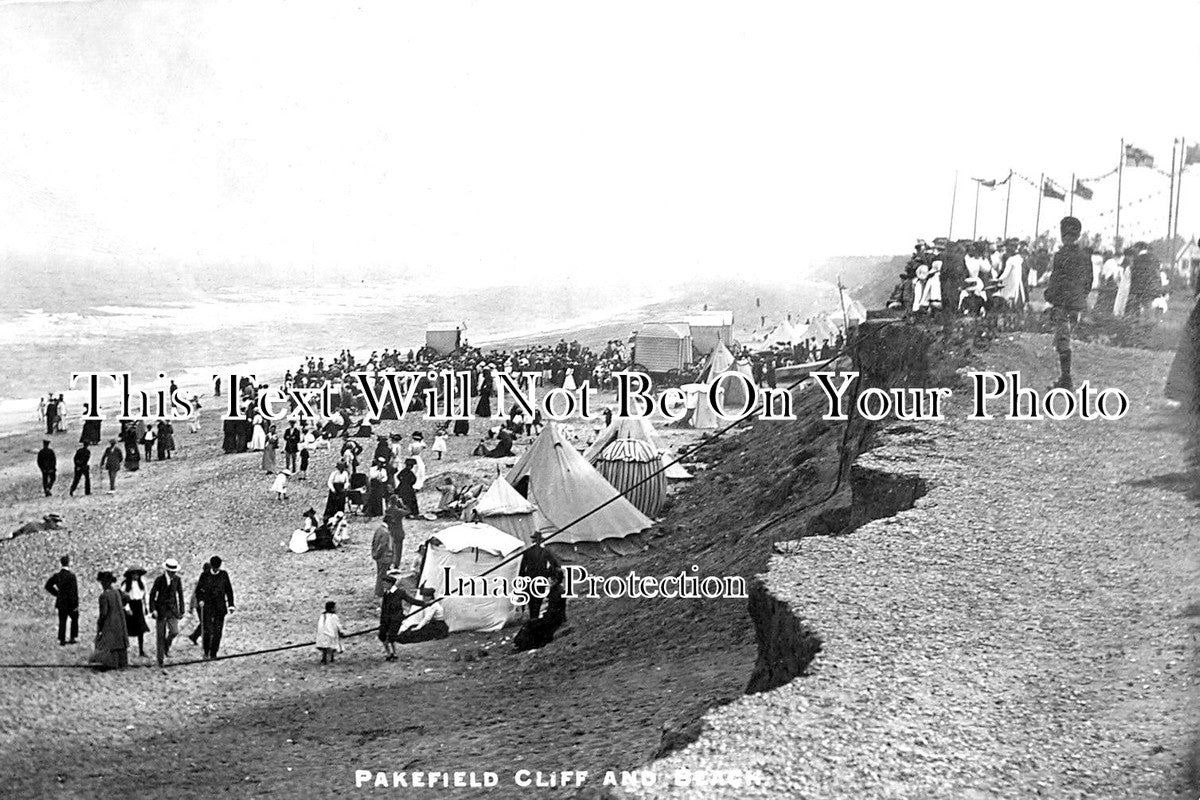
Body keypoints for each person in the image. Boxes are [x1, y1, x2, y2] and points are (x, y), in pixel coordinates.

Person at [1043, 216, 1094, 390]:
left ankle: (1066, 380)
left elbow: (1055, 280)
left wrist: (1050, 295)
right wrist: (1080, 298)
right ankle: (1065, 378)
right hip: (1077, 304)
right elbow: (1089, 281)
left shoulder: (1060, 255)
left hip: (1062, 304)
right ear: (1078, 235)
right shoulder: (1085, 256)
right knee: (1065, 338)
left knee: (1062, 340)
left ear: (1063, 235)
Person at [519, 532, 564, 622]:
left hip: (529, 579)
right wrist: (549, 574)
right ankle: (535, 618)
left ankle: (533, 618)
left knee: (531, 600)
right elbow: (555, 565)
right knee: (538, 599)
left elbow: (522, 568)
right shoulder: (545, 552)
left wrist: (521, 580)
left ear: (533, 540)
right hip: (541, 578)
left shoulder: (527, 552)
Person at [88, 571, 129, 670]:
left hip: (110, 622)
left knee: (107, 642)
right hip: (120, 621)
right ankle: (121, 663)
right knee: (120, 643)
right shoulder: (117, 592)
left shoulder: (104, 596)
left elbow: (104, 613)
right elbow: (127, 597)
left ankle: (109, 663)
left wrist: (100, 624)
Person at [197, 555, 235, 660]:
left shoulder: (224, 575)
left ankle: (213, 653)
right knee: (207, 631)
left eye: (217, 567)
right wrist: (200, 600)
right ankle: (206, 652)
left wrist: (231, 605)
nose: (216, 569)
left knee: (218, 632)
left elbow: (229, 590)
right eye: (214, 567)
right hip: (207, 608)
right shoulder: (204, 575)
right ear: (211, 566)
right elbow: (198, 590)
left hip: (220, 608)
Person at [149, 558, 185, 667]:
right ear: (167, 571)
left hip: (173, 610)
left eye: (175, 572)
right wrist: (153, 609)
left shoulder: (177, 580)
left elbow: (180, 595)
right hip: (161, 610)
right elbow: (152, 595)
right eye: (172, 572)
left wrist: (182, 609)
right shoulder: (159, 580)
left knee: (174, 631)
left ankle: (166, 647)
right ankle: (160, 660)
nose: (174, 573)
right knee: (160, 635)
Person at [44, 555, 79, 645]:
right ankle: (72, 637)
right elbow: (74, 591)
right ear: (68, 563)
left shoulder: (57, 575)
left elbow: (48, 586)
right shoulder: (72, 576)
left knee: (62, 621)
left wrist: (57, 594)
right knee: (74, 619)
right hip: (70, 602)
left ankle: (62, 639)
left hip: (61, 601)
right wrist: (76, 604)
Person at [121, 567, 150, 658]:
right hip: (130, 605)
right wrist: (127, 608)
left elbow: (145, 595)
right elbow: (123, 598)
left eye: (137, 574)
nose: (135, 576)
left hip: (139, 606)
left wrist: (146, 607)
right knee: (128, 629)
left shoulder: (142, 583)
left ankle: (141, 650)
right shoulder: (126, 584)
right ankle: (124, 649)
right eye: (133, 574)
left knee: (140, 629)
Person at [186, 561, 211, 645]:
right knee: (205, 623)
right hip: (199, 605)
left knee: (205, 623)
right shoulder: (201, 579)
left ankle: (194, 636)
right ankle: (197, 637)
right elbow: (194, 594)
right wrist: (191, 607)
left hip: (204, 605)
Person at [371, 517, 394, 597]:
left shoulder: (378, 529)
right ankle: (379, 592)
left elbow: (374, 542)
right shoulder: (386, 532)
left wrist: (374, 554)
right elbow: (383, 545)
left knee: (380, 574)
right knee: (382, 575)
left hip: (378, 556)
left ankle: (378, 591)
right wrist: (378, 554)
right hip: (384, 557)